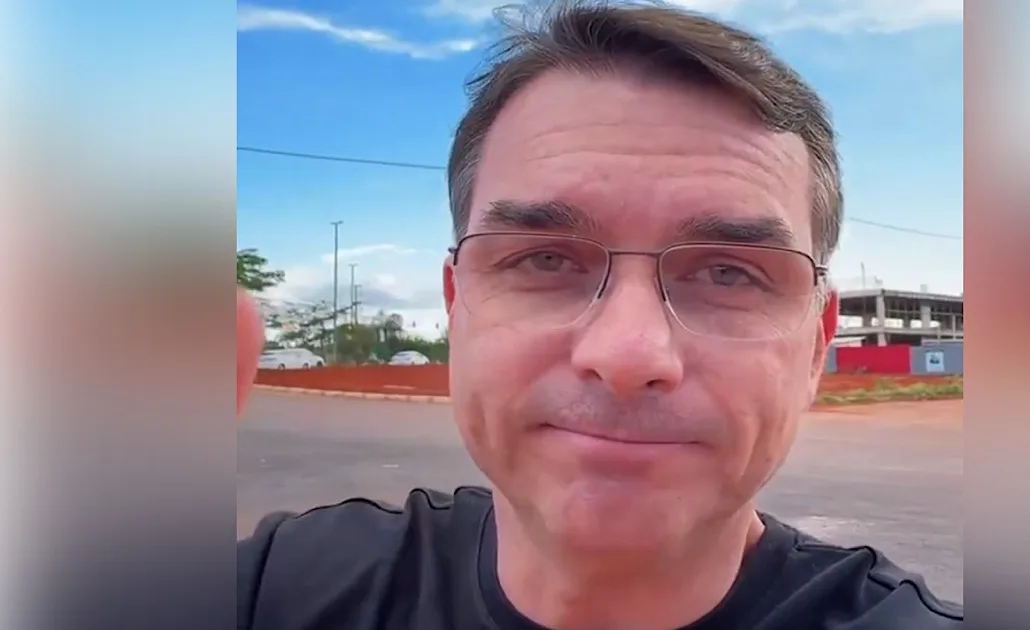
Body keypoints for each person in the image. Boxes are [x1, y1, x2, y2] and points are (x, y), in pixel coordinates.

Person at [236, 1, 964, 628]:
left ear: (815, 345)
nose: (628, 353)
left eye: (727, 272)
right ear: (457, 308)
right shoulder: (278, 588)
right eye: (545, 261)